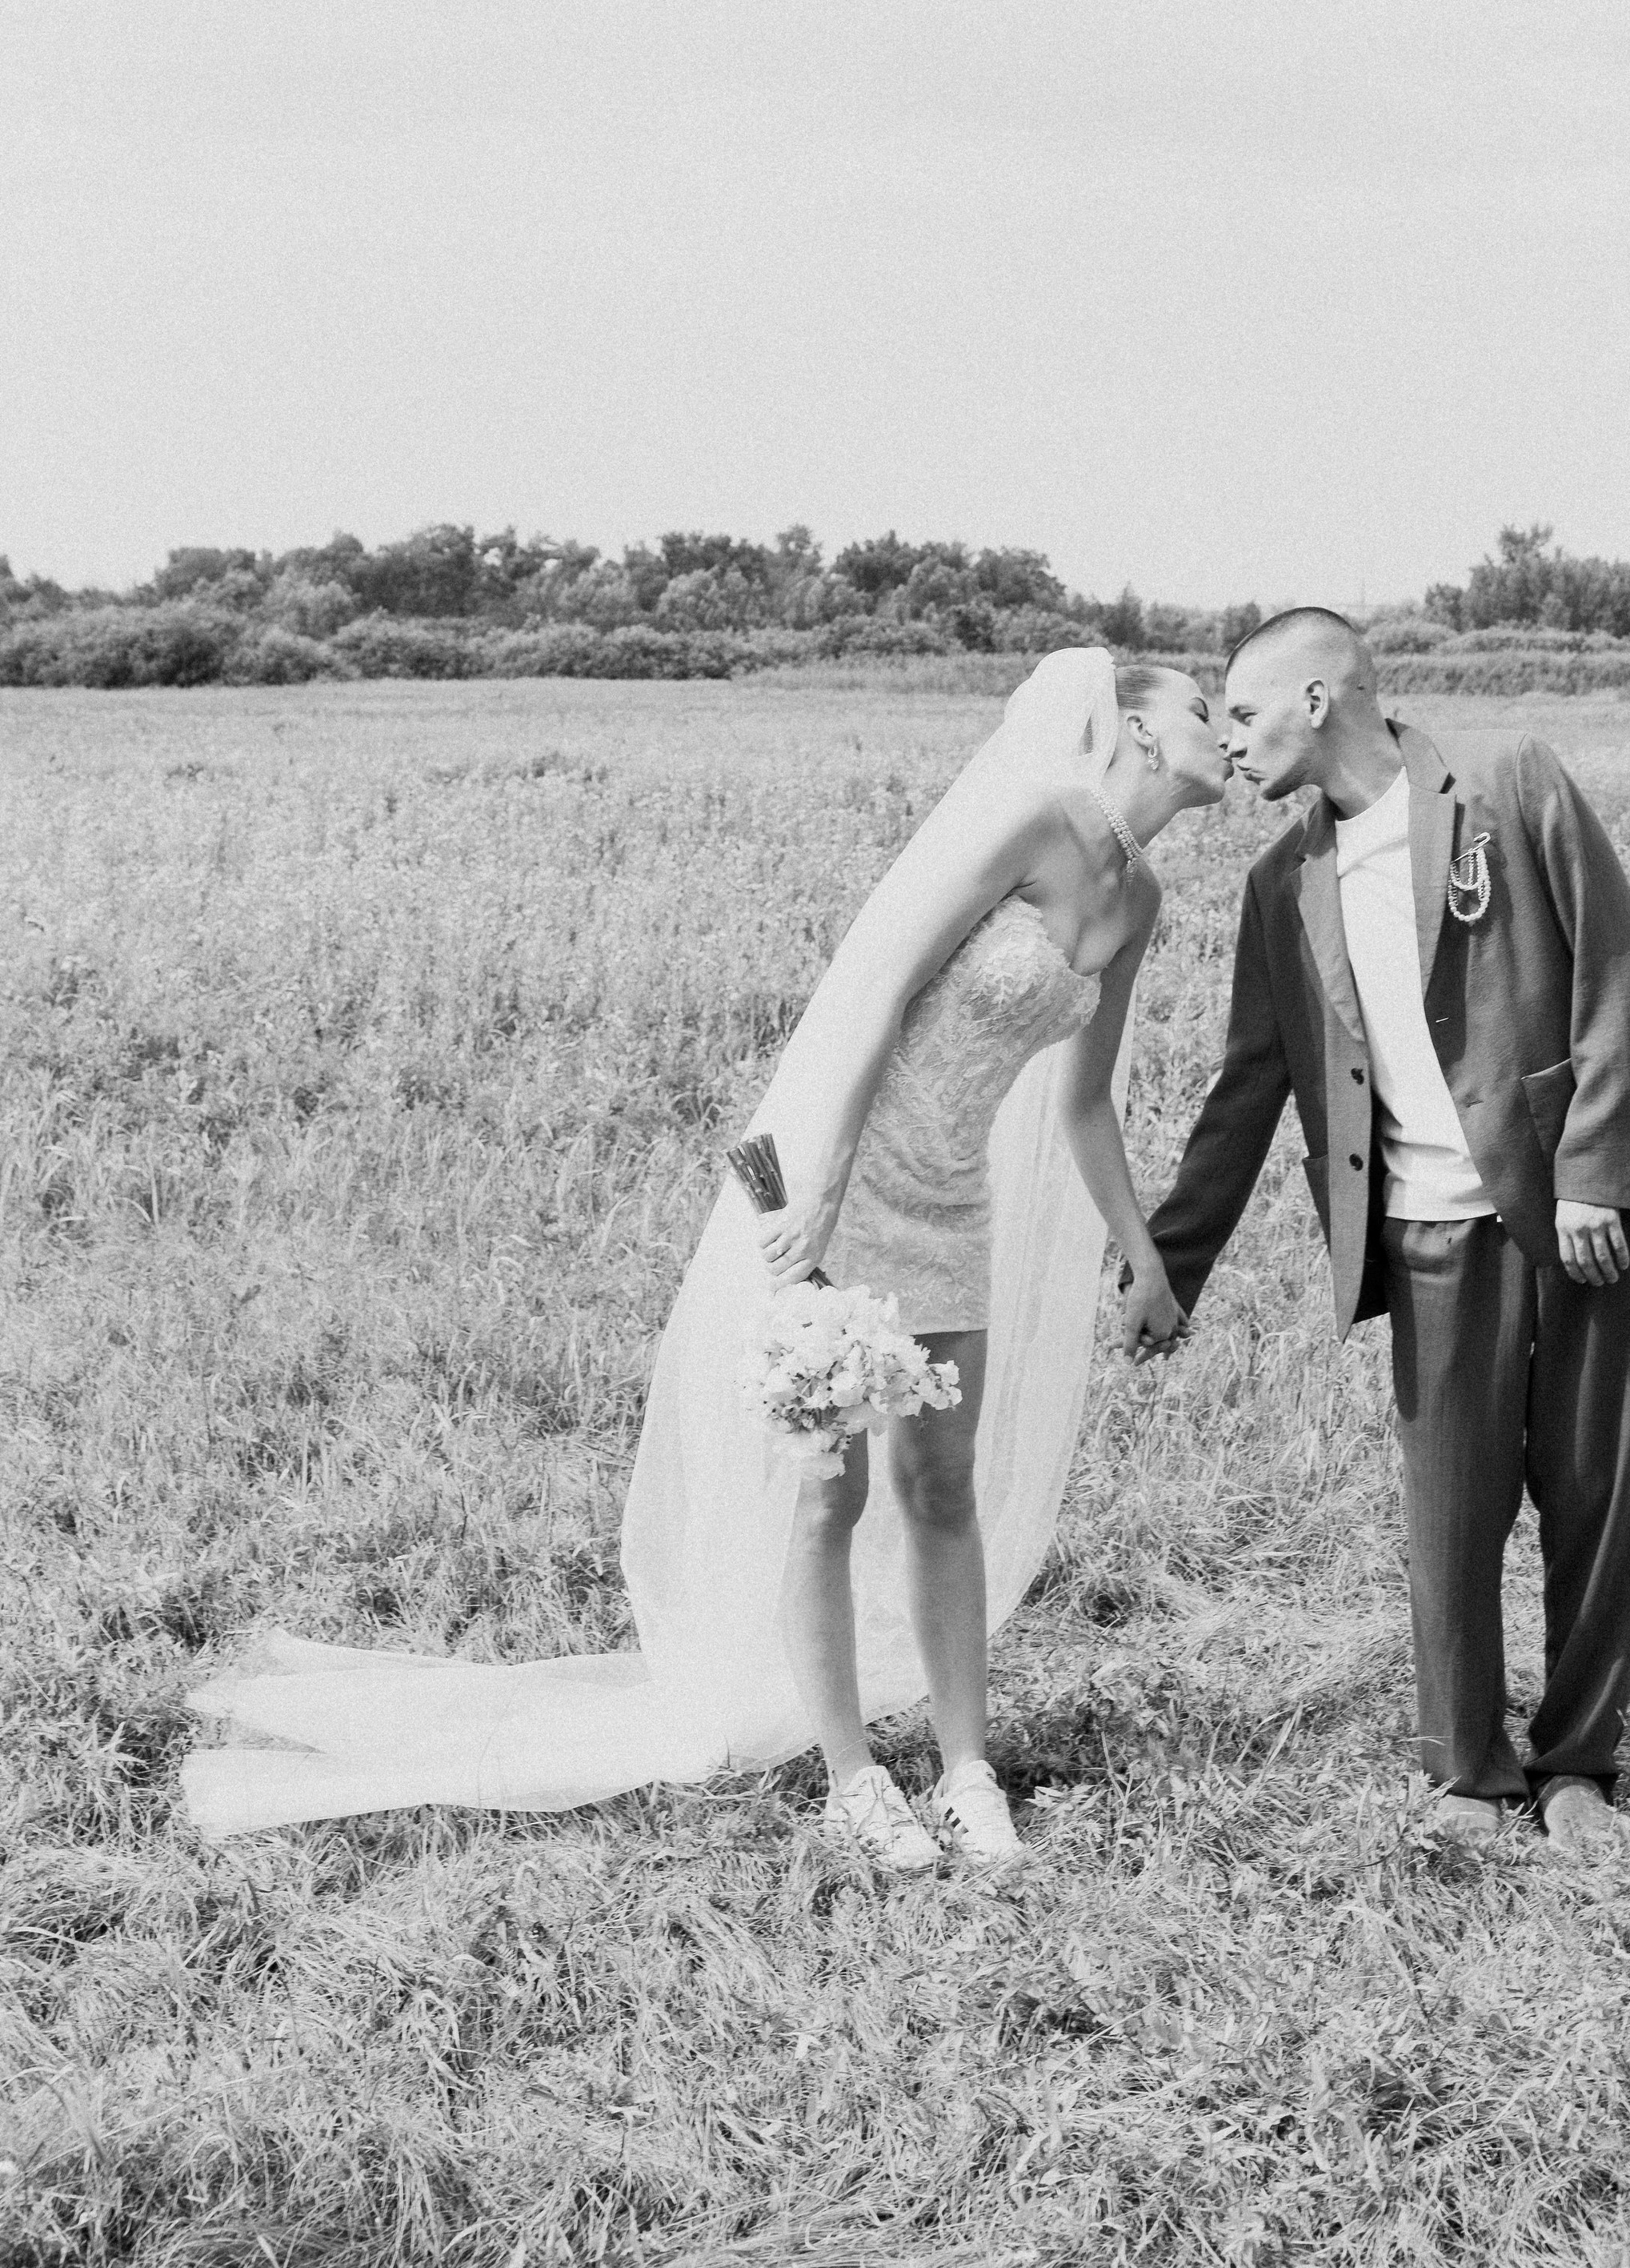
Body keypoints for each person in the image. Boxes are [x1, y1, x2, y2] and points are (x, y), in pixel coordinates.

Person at [182, 649, 1228, 1867]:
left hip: (955, 1202)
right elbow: (881, 977)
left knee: (943, 1487)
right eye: (1206, 711)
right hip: (850, 1180)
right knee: (829, 1490)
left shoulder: (1139, 897)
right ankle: (852, 1781)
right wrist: (821, 1180)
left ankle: (966, 1770)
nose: (1228, 732)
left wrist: (1143, 1256)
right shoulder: (1034, 820)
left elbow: (1083, 1101)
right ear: (1139, 733)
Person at [1135, 610, 1630, 1850]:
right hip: (1427, 1232)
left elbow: (1615, 971)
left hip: (1586, 1213)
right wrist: (1170, 1269)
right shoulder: (1282, 886)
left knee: (1599, 1493)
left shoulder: (1511, 781)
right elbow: (1247, 1086)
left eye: (1243, 712)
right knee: (1450, 1513)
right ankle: (1472, 1776)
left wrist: (1594, 1170)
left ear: (1319, 698)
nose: (1229, 743)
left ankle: (1579, 1766)